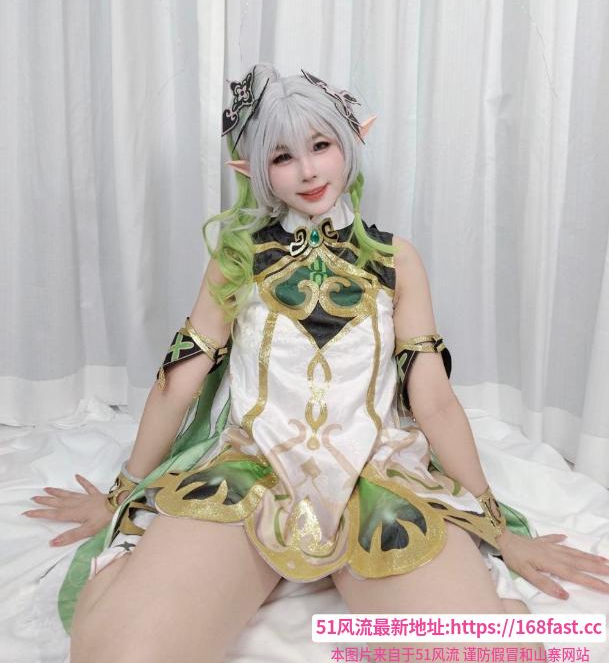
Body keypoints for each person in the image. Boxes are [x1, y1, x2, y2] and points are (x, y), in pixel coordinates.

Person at [25, 64, 609, 663]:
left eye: (321, 145)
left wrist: (498, 528)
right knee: (120, 653)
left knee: (482, 654)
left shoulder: (397, 260)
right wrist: (121, 494)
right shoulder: (237, 259)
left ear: (353, 141)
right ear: (251, 169)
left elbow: (432, 399)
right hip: (250, 475)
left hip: (378, 480)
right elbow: (178, 384)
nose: (307, 171)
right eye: (282, 156)